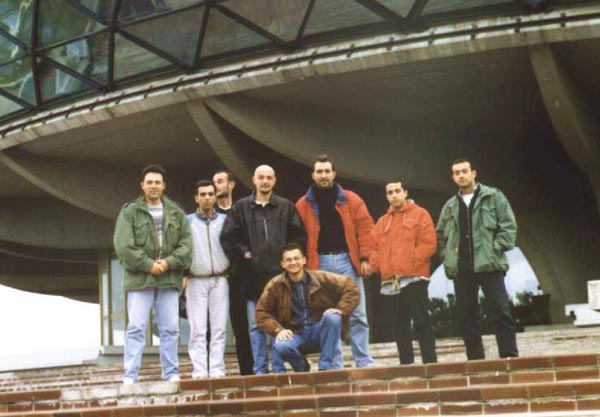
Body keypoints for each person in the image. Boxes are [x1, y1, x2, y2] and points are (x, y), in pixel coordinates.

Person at [221, 165, 305, 374]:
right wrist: (246, 254)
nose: (265, 181)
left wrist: (288, 259)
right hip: (252, 280)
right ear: (254, 180)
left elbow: (298, 237)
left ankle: (278, 368)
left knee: (280, 325)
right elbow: (228, 238)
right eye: (261, 177)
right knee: (255, 327)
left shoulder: (286, 207)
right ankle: (260, 370)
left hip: (281, 280)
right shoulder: (240, 208)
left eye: (269, 177)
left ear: (274, 180)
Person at [114, 164, 192, 384]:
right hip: (140, 280)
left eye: (157, 182)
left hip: (168, 280)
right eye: (149, 182)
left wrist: (167, 263)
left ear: (164, 185)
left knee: (170, 329)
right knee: (136, 328)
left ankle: (171, 373)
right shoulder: (129, 211)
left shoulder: (177, 212)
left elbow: (186, 246)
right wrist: (149, 265)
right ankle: (130, 375)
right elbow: (123, 246)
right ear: (142, 185)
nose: (153, 186)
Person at [296, 154, 375, 368]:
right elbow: (298, 237)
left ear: (334, 173)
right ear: (313, 174)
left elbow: (365, 230)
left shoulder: (351, 199)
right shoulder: (303, 204)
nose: (323, 175)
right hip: (318, 263)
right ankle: (334, 362)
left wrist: (366, 258)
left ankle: (363, 360)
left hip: (346, 260)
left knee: (357, 312)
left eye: (327, 171)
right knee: (327, 316)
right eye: (319, 171)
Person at [436, 159, 519, 360]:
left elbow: (508, 226)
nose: (461, 175)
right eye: (457, 172)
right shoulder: (450, 206)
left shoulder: (493, 196)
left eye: (464, 171)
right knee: (467, 317)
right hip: (462, 269)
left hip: (489, 265)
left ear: (473, 173)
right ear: (453, 177)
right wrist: (448, 257)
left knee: (501, 312)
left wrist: (495, 248)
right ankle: (475, 361)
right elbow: (440, 235)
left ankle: (509, 357)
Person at [256, 243, 359, 373]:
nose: (293, 262)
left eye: (296, 258)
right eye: (288, 260)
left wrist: (341, 309)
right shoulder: (275, 285)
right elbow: (261, 312)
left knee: (333, 318)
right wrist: (278, 330)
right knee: (280, 346)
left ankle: (325, 367)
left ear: (304, 260)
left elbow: (351, 287)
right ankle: (301, 368)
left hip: (319, 331)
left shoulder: (321, 278)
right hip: (296, 334)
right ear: (282, 264)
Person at [370, 180, 438, 365]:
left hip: (415, 278)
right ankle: (406, 364)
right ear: (386, 196)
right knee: (400, 324)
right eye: (390, 192)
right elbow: (372, 247)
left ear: (405, 192)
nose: (394, 195)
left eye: (397, 191)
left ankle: (430, 364)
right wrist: (380, 265)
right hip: (392, 281)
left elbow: (428, 244)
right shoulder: (383, 221)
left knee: (422, 321)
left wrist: (408, 265)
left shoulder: (420, 214)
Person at [185, 180, 229, 378]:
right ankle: (200, 370)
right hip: (196, 279)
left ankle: (217, 369)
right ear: (196, 198)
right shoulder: (186, 222)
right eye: (202, 194)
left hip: (220, 278)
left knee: (219, 327)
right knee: (197, 328)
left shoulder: (225, 220)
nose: (207, 198)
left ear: (215, 196)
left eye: (210, 194)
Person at [212, 170, 254, 375]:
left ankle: (254, 368)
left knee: (250, 323)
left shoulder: (243, 211)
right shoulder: (209, 216)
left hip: (245, 276)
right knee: (226, 326)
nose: (216, 186)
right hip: (221, 278)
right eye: (214, 183)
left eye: (220, 181)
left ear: (231, 184)